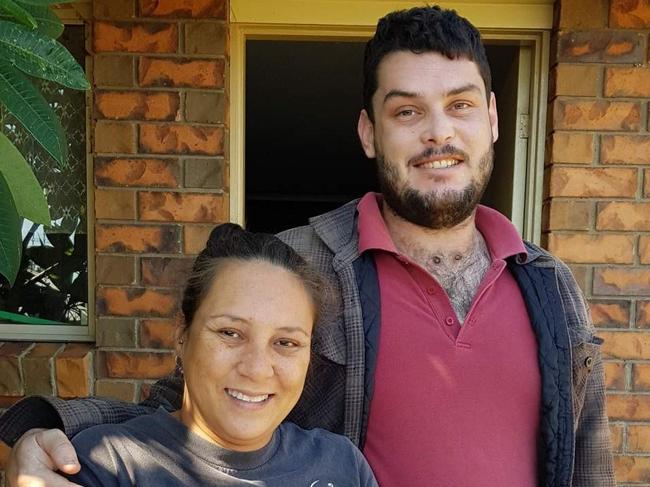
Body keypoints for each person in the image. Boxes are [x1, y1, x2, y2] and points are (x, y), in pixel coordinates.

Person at [1, 5, 614, 487]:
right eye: (407, 112)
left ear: (494, 119)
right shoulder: (300, 263)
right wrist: (47, 431)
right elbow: (191, 406)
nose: (439, 132)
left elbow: (586, 459)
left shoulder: (549, 284)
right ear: (369, 132)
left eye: (460, 105)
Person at [66, 223, 377, 486]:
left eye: (285, 343)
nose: (256, 369)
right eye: (230, 333)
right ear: (181, 333)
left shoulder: (343, 465)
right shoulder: (108, 465)